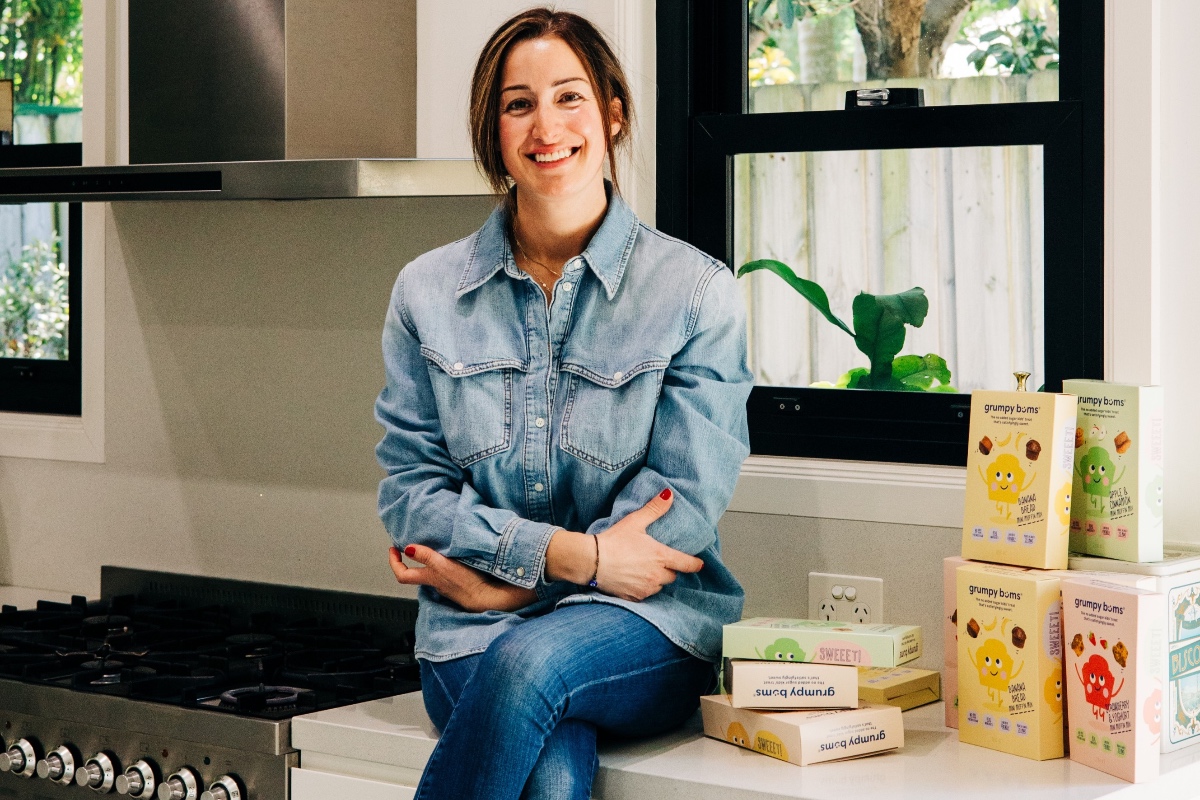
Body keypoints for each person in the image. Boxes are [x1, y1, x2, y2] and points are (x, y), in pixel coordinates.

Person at [374, 8, 752, 799]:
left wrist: (515, 584)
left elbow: (679, 512)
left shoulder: (696, 292)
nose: (546, 127)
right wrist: (573, 558)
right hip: (469, 634)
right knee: (549, 772)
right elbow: (412, 496)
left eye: (569, 97)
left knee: (529, 661)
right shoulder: (425, 293)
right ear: (494, 132)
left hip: (646, 631)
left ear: (612, 114)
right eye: (519, 104)